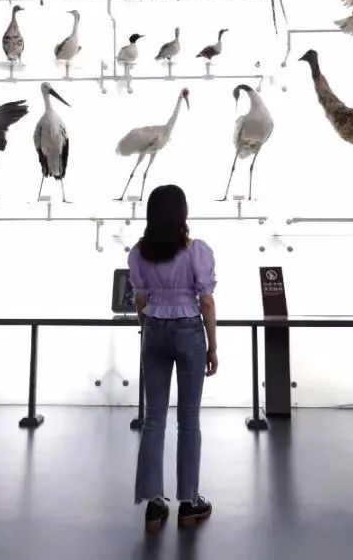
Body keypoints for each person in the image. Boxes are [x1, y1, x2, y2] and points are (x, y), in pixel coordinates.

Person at [128, 184, 218, 533]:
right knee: (188, 420)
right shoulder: (196, 251)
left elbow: (140, 300)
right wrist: (212, 346)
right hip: (188, 331)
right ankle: (189, 504)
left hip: (154, 331)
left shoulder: (139, 253)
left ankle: (154, 506)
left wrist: (150, 327)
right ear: (183, 214)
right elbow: (206, 301)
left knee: (154, 420)